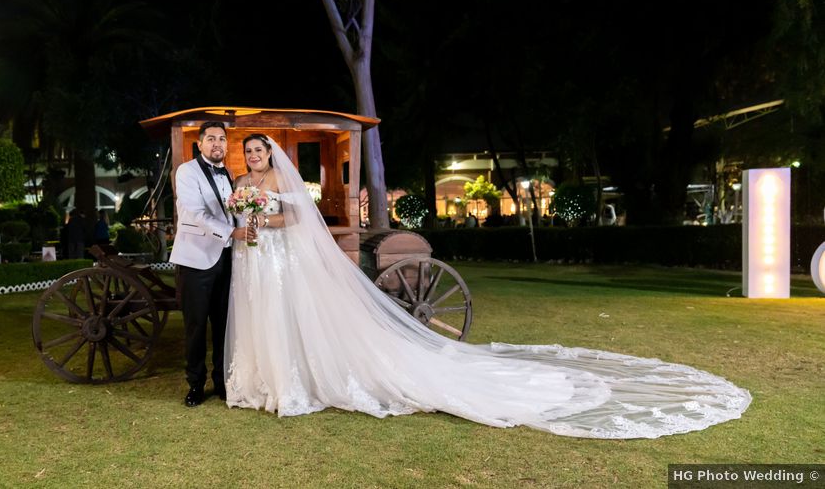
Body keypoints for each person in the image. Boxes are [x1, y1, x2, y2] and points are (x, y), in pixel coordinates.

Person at [223, 135, 751, 438]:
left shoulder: (278, 186)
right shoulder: (242, 187)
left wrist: (261, 222)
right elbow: (240, 217)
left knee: (290, 316)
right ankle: (261, 382)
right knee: (261, 317)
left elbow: (296, 223)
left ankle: (296, 383)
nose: (252, 162)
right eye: (246, 156)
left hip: (281, 258)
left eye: (257, 154)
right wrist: (242, 220)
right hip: (255, 263)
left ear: (271, 156)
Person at [169, 121, 256, 408]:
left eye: (222, 139)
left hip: (227, 258)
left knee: (223, 324)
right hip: (195, 260)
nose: (217, 144)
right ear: (200, 143)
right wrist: (232, 232)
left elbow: (230, 212)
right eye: (211, 139)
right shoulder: (186, 171)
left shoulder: (228, 174)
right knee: (195, 326)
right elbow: (194, 213)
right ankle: (195, 385)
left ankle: (221, 382)